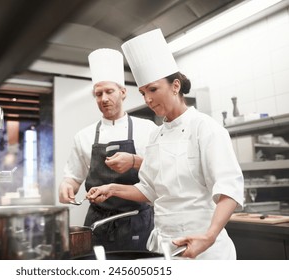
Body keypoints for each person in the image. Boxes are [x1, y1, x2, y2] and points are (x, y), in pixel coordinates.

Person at [87, 29, 244, 259]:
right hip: (166, 247)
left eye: (153, 89)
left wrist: (209, 236)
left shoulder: (205, 128)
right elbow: (149, 189)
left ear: (176, 86)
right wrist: (111, 189)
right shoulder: (156, 136)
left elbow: (229, 190)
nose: (148, 99)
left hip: (205, 250)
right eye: (142, 92)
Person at [58, 48, 158, 251]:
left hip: (136, 220)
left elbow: (162, 171)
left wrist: (134, 160)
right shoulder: (83, 136)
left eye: (109, 92)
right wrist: (67, 186)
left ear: (123, 92)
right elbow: (73, 178)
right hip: (97, 224)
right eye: (98, 94)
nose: (103, 98)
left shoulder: (147, 130)